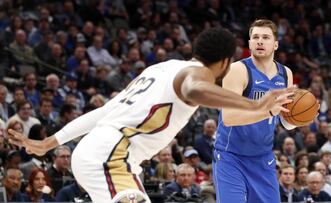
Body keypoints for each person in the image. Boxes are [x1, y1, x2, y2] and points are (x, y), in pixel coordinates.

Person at [7, 27, 294, 203]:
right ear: (225, 63)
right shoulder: (193, 75)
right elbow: (194, 88)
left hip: (103, 153)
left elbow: (105, 111)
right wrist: (255, 106)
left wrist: (49, 143)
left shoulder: (160, 68)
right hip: (111, 157)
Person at [213, 19, 314, 203]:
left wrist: (303, 118)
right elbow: (228, 118)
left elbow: (285, 122)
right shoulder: (237, 71)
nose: (260, 41)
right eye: (255, 37)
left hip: (263, 157)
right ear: (249, 43)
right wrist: (267, 111)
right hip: (231, 157)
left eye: (266, 37)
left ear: (275, 44)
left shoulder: (286, 74)